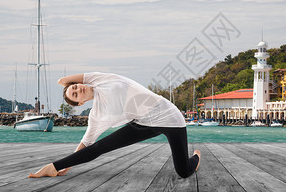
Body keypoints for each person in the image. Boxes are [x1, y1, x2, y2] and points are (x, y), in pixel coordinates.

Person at [28, 72, 201, 179]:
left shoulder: (99, 79)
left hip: (169, 118)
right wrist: (66, 165)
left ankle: (196, 157)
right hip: (142, 124)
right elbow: (86, 144)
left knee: (183, 172)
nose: (77, 89)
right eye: (74, 93)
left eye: (75, 86)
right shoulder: (96, 116)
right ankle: (52, 167)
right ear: (80, 103)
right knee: (98, 147)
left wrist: (65, 85)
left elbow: (61, 80)